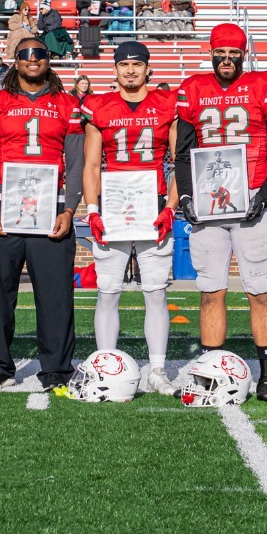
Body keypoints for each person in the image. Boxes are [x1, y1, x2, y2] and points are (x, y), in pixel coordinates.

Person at [174, 25, 267, 400]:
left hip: (252, 199)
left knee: (259, 290)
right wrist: (186, 199)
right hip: (209, 204)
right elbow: (182, 153)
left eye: (234, 53)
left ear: (244, 54)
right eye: (220, 53)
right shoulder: (193, 89)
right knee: (211, 290)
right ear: (210, 52)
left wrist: (264, 197)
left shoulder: (265, 85)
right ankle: (212, 369)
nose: (227, 60)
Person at [0, 36, 83, 390]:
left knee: (54, 296)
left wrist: (69, 208)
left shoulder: (68, 104)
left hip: (50, 208)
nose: (33, 59)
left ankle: (56, 368)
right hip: (6, 208)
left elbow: (77, 159)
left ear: (49, 60)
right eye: (25, 54)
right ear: (15, 60)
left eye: (39, 54)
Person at [80, 40, 182, 393]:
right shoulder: (98, 106)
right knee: (108, 292)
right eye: (124, 65)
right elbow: (93, 164)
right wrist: (92, 210)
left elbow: (176, 160)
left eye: (137, 64)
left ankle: (157, 370)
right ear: (115, 70)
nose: (131, 70)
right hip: (114, 208)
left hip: (152, 207)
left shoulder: (166, 105)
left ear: (148, 69)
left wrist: (171, 206)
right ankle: (106, 365)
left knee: (155, 292)